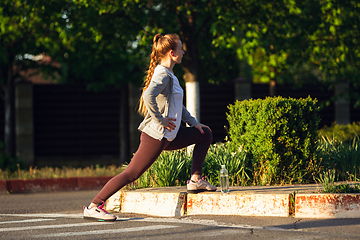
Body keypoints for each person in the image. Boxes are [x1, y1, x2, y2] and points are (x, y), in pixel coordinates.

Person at [83, 33, 216, 221]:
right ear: (172, 53)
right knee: (132, 174)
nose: (184, 52)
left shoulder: (171, 75)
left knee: (204, 133)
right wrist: (161, 120)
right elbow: (148, 96)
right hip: (156, 136)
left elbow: (179, 106)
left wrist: (194, 123)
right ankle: (93, 206)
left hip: (169, 136)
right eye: (181, 49)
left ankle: (195, 180)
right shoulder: (162, 74)